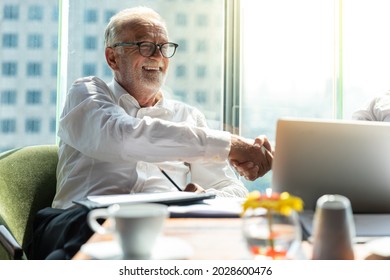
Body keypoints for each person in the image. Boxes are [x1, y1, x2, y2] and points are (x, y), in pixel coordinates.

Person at [27, 6, 273, 260]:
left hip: (162, 228)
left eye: (163, 47)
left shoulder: (188, 117)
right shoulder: (86, 94)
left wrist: (205, 197)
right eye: (144, 46)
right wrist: (230, 144)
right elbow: (122, 137)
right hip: (83, 222)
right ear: (112, 58)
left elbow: (233, 190)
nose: (157, 56)